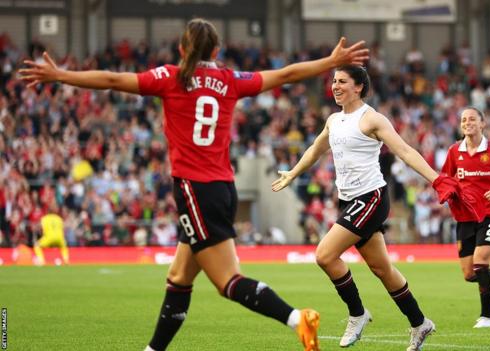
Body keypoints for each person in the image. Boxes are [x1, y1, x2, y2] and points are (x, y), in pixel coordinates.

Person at [21, 18, 369, 351]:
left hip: (194, 190)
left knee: (227, 282)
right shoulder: (231, 80)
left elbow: (113, 79)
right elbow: (287, 74)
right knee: (179, 277)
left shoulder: (169, 77)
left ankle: (297, 319)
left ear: (181, 48)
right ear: (216, 51)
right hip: (222, 189)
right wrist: (331, 60)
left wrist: (60, 75)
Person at [272, 65, 448, 350]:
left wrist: (436, 179)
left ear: (359, 87)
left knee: (325, 255)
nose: (335, 86)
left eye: (342, 81)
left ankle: (358, 314)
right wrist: (292, 173)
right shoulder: (333, 120)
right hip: (349, 200)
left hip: (371, 198)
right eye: (333, 81)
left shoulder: (372, 119)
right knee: (382, 269)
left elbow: (404, 151)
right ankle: (420, 323)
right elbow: (316, 149)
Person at [441, 106, 490, 328]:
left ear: (483, 123)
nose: (467, 122)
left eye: (472, 119)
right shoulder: (454, 152)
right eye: (464, 119)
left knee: (480, 262)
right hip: (465, 217)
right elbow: (445, 179)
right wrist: (448, 192)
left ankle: (487, 317)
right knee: (469, 274)